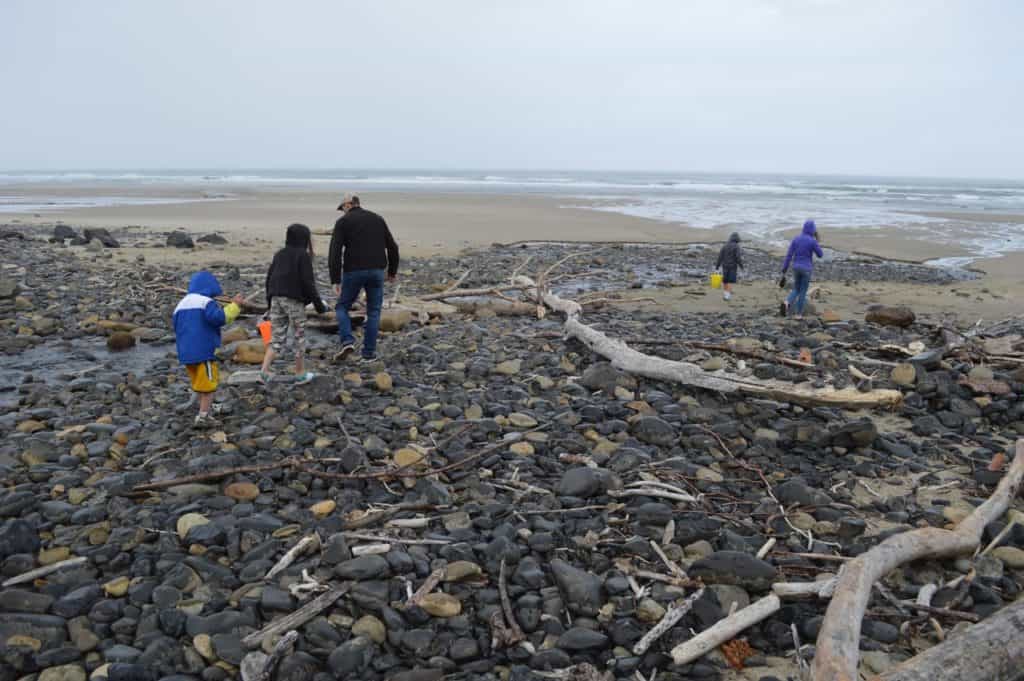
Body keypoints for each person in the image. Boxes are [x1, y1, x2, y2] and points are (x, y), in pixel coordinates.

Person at [328, 193, 399, 363]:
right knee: (374, 312)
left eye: (342, 208)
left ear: (347, 205)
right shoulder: (377, 219)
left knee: (342, 307)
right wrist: (392, 272)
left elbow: (334, 253)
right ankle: (368, 353)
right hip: (376, 271)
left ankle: (347, 341)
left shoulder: (343, 222)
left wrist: (335, 279)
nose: (342, 212)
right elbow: (392, 247)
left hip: (353, 271)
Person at [172, 271, 244, 428]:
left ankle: (205, 408)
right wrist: (235, 306)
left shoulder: (180, 304)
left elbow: (176, 327)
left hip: (186, 352)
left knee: (199, 382)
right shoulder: (205, 302)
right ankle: (203, 416)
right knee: (209, 385)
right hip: (204, 351)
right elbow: (219, 318)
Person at [261, 223, 327, 385]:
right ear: (304, 239)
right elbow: (307, 282)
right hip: (293, 300)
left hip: (275, 297)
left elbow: (269, 278)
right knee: (299, 336)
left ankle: (264, 371)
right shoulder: (302, 256)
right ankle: (299, 373)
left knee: (277, 337)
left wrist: (269, 302)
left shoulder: (279, 254)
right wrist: (319, 306)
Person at [779, 219, 823, 318]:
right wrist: (817, 242)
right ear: (813, 230)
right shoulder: (812, 241)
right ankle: (798, 314)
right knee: (803, 291)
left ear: (803, 228)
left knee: (796, 289)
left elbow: (789, 255)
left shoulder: (796, 239)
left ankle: (786, 302)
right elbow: (820, 255)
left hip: (796, 268)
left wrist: (784, 269)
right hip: (806, 269)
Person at [715, 232, 744, 300]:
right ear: (737, 239)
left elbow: (720, 257)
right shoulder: (736, 246)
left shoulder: (725, 245)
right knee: (730, 281)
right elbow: (738, 258)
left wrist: (717, 267)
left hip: (724, 266)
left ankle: (726, 294)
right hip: (732, 266)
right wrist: (741, 266)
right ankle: (727, 296)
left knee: (725, 281)